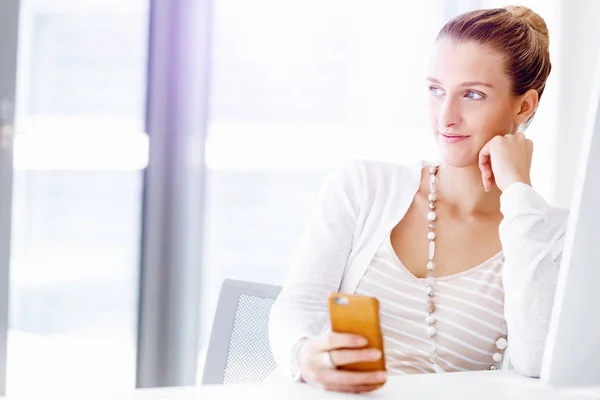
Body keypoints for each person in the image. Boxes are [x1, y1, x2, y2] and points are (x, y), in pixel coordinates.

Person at [268, 4, 569, 394]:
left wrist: (518, 193)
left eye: (473, 95)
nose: (446, 116)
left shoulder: (554, 236)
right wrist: (305, 355)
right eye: (435, 90)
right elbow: (297, 306)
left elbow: (536, 360)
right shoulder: (363, 186)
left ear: (524, 105)